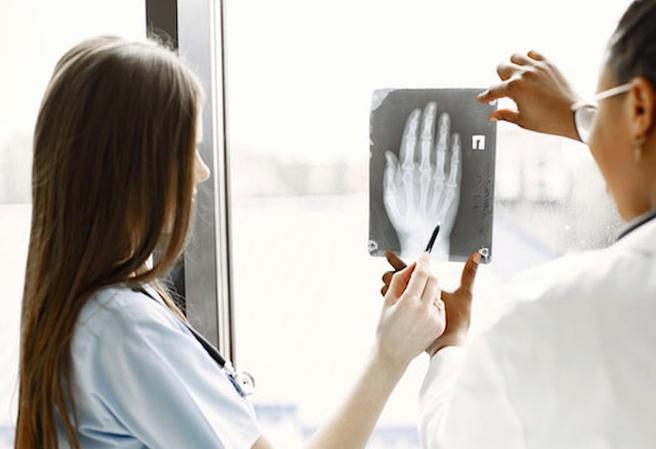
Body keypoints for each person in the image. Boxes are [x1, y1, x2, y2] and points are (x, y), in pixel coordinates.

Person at [13, 36, 479, 449]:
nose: (201, 172)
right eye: (186, 150)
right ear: (135, 170)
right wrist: (389, 357)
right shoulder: (123, 328)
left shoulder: (93, 312)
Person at [380, 0, 656, 446]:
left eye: (603, 102)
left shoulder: (548, 319)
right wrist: (588, 116)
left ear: (641, 108)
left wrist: (448, 349)